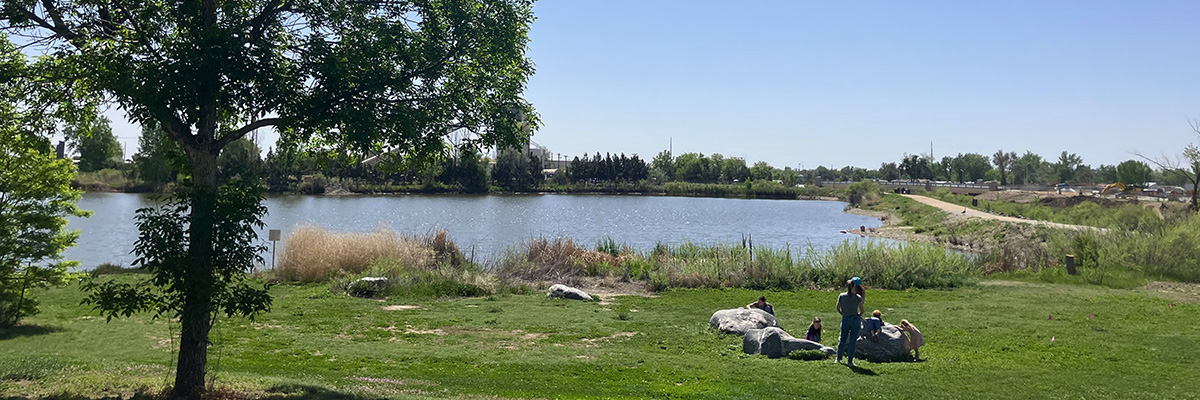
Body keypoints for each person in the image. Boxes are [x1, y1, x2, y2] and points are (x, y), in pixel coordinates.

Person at [835, 279, 865, 367]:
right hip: (855, 319)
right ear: (854, 287)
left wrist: (843, 313)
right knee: (852, 341)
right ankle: (850, 361)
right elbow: (862, 310)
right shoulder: (858, 297)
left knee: (842, 339)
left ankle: (838, 358)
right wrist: (858, 315)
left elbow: (837, 308)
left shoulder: (842, 296)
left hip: (845, 319)